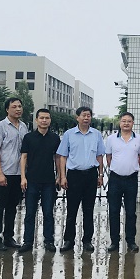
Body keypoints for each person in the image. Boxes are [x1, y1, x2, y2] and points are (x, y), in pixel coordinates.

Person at [56, 107, 105, 253]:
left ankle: (87, 240)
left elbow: (99, 156)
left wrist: (100, 175)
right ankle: (69, 240)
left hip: (91, 175)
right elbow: (62, 156)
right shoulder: (69, 134)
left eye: (88, 115)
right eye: (83, 115)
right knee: (71, 210)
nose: (86, 118)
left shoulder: (96, 134)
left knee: (88, 210)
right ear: (77, 117)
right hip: (74, 176)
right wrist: (62, 176)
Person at [18, 108, 60, 253]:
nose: (44, 120)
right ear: (36, 120)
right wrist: (23, 177)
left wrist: (60, 176)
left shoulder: (55, 138)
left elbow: (57, 158)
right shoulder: (29, 138)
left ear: (50, 120)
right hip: (31, 180)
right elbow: (23, 157)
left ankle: (49, 241)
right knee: (30, 213)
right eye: (41, 118)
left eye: (47, 118)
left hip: (49, 181)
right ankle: (27, 241)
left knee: (48, 212)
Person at [0, 97, 29, 251]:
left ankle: (8, 237)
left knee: (12, 206)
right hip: (4, 172)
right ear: (7, 109)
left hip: (18, 173)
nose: (18, 109)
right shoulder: (0, 126)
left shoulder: (24, 127)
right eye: (14, 107)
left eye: (20, 106)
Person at [105, 112, 140, 253]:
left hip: (131, 179)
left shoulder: (139, 139)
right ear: (120, 122)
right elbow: (108, 157)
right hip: (115, 179)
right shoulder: (111, 139)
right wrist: (116, 168)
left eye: (129, 121)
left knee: (131, 211)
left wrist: (133, 168)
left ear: (133, 123)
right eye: (124, 121)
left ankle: (131, 241)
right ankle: (114, 241)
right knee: (114, 211)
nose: (126, 123)